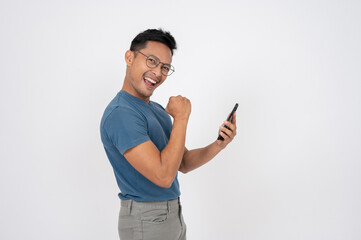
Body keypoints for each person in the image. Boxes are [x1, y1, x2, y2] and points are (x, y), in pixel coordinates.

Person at [100, 28, 237, 240]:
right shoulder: (121, 114)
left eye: (165, 67)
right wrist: (181, 118)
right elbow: (164, 176)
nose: (158, 72)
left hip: (172, 213)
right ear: (129, 57)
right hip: (146, 218)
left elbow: (182, 164)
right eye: (152, 61)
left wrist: (219, 144)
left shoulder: (156, 110)